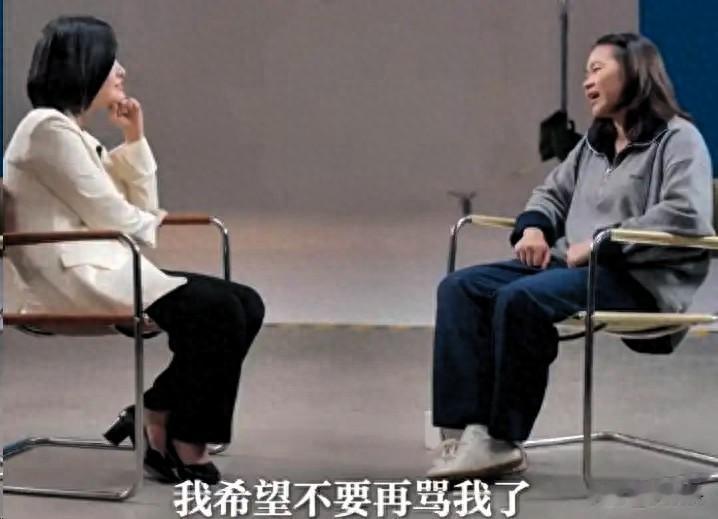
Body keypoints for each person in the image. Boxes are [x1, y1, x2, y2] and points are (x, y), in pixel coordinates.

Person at [428, 32, 714, 480]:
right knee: (460, 288)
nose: (587, 81)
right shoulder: (594, 143)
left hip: (636, 278)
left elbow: (686, 213)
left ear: (635, 72)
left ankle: (501, 440)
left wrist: (603, 241)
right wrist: (535, 227)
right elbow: (552, 193)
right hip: (574, 269)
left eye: (597, 69)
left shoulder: (679, 139)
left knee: (522, 299)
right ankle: (466, 431)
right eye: (585, 72)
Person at [3, 16, 265, 485]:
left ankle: (157, 412)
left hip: (105, 267)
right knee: (220, 311)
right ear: (83, 65)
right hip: (74, 281)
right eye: (111, 61)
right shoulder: (46, 129)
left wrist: (133, 139)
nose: (121, 70)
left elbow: (136, 214)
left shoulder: (71, 133)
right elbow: (120, 218)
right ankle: (184, 439)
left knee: (245, 303)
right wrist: (145, 223)